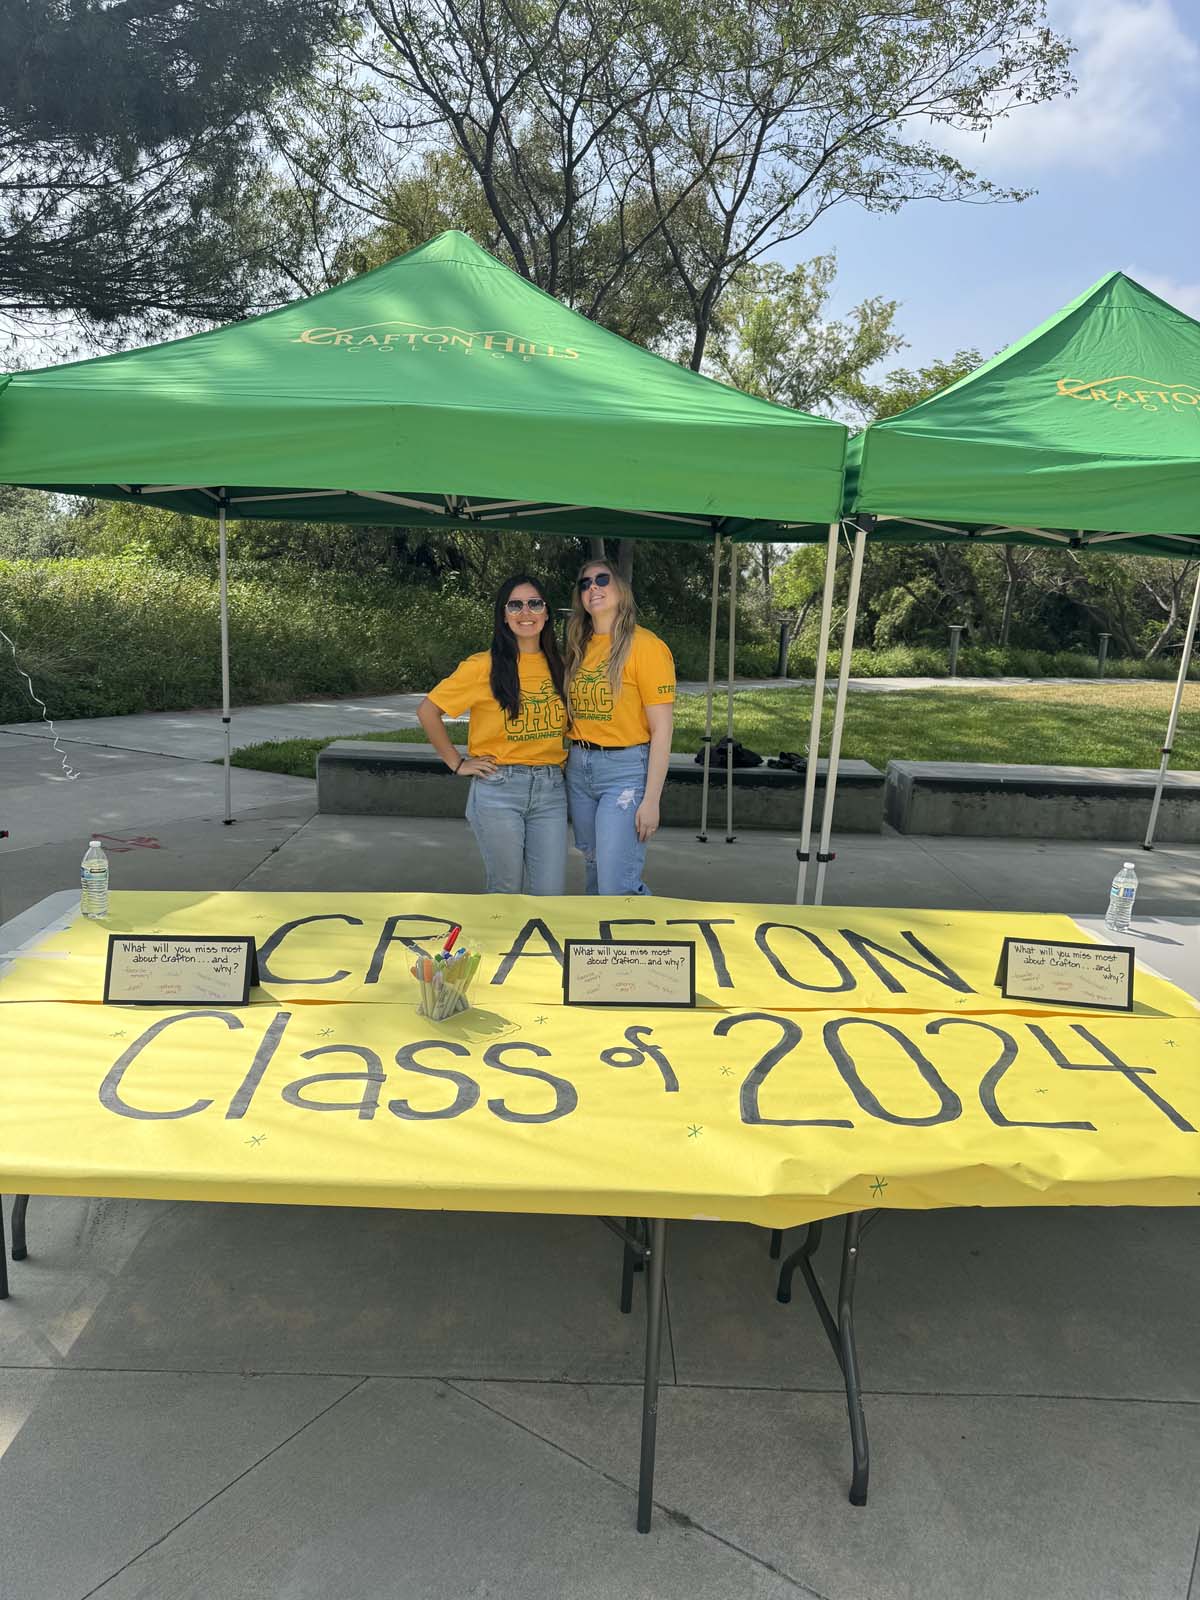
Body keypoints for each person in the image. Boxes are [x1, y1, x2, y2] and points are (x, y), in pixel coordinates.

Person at [418, 575, 569, 894]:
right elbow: (428, 711)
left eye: (534, 604)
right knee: (506, 892)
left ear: (546, 613)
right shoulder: (482, 666)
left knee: (551, 895)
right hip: (500, 789)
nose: (525, 612)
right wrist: (457, 763)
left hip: (551, 790)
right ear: (503, 615)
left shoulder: (562, 666)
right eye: (515, 605)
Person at [564, 556, 675, 895]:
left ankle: (636, 929)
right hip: (579, 767)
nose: (593, 588)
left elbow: (662, 730)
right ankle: (599, 931)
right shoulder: (578, 645)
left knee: (618, 883)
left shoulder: (646, 646)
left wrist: (651, 800)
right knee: (595, 866)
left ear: (621, 589)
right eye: (585, 583)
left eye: (602, 579)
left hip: (624, 772)